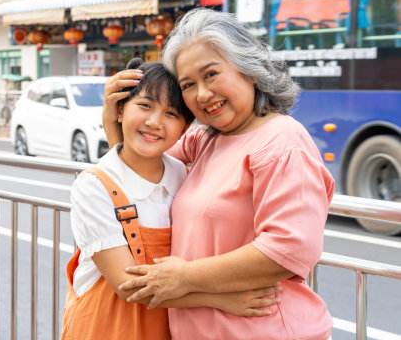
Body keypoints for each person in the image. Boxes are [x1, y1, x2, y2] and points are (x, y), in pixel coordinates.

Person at [102, 9, 334, 340]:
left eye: (211, 74)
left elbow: (290, 249)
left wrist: (185, 277)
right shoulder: (205, 139)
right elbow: (137, 174)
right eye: (188, 85)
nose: (202, 95)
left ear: (248, 70)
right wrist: (114, 118)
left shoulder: (283, 140)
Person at [62, 60, 282, 340]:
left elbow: (138, 161)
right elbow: (128, 286)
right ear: (120, 109)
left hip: (163, 327)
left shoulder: (180, 173)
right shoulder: (93, 186)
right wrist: (220, 299)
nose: (155, 122)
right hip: (106, 328)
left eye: (171, 113)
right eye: (144, 106)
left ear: (185, 128)